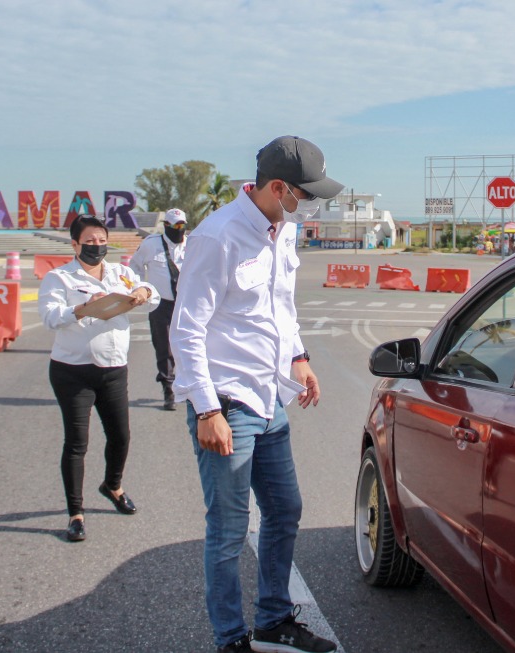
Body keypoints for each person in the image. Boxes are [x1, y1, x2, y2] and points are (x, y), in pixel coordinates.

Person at [170, 135, 340, 653]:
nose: (310, 205)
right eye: (305, 195)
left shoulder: (283, 230)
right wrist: (206, 410)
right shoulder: (217, 236)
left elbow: (281, 306)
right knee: (228, 530)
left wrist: (299, 357)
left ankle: (273, 620)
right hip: (227, 402)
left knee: (285, 510)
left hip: (270, 399)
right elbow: (187, 330)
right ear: (278, 187)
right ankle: (230, 638)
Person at [39, 214, 159, 542]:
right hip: (72, 371)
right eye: (89, 241)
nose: (97, 246)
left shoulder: (121, 273)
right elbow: (49, 317)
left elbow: (151, 293)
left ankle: (113, 486)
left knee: (121, 436)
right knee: (77, 442)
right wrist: (82, 307)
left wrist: (143, 291)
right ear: (75, 244)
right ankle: (75, 513)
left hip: (113, 368)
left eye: (102, 241)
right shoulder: (59, 278)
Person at [129, 207, 188, 411]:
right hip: (160, 303)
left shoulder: (191, 245)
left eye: (182, 226)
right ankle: (168, 388)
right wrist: (140, 288)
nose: (178, 230)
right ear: (166, 226)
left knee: (188, 345)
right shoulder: (151, 244)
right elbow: (134, 267)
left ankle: (188, 386)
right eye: (175, 226)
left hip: (185, 303)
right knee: (163, 348)